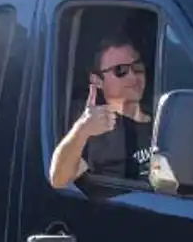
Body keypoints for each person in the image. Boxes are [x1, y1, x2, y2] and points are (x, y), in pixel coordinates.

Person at [48, 34, 153, 187]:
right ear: (97, 80)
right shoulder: (95, 127)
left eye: (136, 67)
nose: (133, 77)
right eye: (120, 70)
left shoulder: (164, 112)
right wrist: (82, 130)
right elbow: (59, 179)